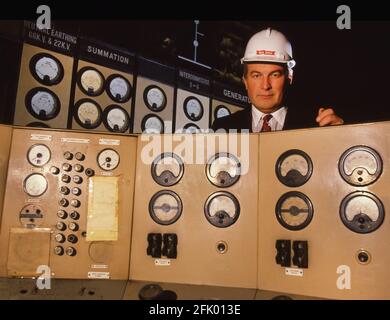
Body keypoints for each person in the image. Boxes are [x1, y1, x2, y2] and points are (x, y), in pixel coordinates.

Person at [211, 27, 344, 132]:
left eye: (274, 75)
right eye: (256, 75)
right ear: (245, 80)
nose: (265, 85)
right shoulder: (223, 128)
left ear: (289, 77)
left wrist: (342, 136)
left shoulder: (317, 125)